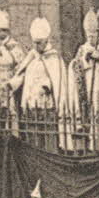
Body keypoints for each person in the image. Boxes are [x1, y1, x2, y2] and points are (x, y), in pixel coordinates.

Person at [63, 9, 99, 152]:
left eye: (94, 35)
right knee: (87, 118)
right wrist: (86, 60)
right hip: (86, 91)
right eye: (89, 35)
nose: (91, 38)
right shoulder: (81, 50)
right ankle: (86, 149)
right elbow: (75, 67)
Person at [9, 16, 64, 149]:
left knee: (47, 143)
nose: (35, 46)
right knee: (32, 143)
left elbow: (58, 81)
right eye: (34, 42)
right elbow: (22, 74)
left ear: (47, 41)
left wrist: (47, 87)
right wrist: (14, 83)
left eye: (39, 43)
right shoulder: (31, 57)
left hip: (46, 109)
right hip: (30, 109)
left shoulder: (54, 58)